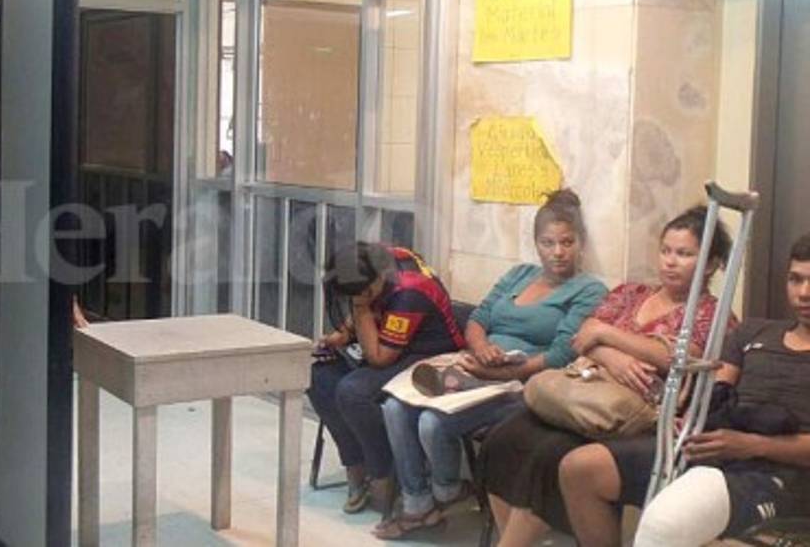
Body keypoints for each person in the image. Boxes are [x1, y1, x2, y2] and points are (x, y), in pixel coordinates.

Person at [478, 206, 734, 546]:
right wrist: (615, 358)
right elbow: (581, 337)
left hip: (637, 413)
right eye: (666, 251)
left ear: (711, 264)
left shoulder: (710, 312)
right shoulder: (632, 293)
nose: (670, 262)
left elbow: (679, 358)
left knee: (546, 456)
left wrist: (607, 334)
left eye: (684, 254)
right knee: (503, 438)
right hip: (583, 395)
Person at [374, 188, 608, 539]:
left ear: (580, 243)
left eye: (567, 242)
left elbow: (561, 355)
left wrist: (498, 371)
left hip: (523, 384)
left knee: (432, 424)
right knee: (394, 408)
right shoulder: (519, 275)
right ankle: (418, 505)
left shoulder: (588, 289)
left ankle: (447, 491)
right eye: (548, 243)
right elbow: (478, 319)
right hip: (475, 368)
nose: (558, 252)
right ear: (536, 244)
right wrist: (481, 348)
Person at [560, 232, 810, 547]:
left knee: (664, 527)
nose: (804, 293)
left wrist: (751, 445)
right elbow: (716, 395)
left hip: (778, 471)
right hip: (714, 447)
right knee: (581, 469)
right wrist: (692, 419)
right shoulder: (754, 332)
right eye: (796, 280)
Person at [307, 242, 466, 516]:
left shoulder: (409, 292)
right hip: (390, 343)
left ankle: (382, 472)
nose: (357, 300)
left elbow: (379, 358)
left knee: (353, 392)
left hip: (428, 356)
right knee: (319, 377)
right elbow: (369, 306)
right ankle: (355, 464)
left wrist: (361, 309)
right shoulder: (373, 261)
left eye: (360, 296)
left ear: (375, 282)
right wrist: (341, 336)